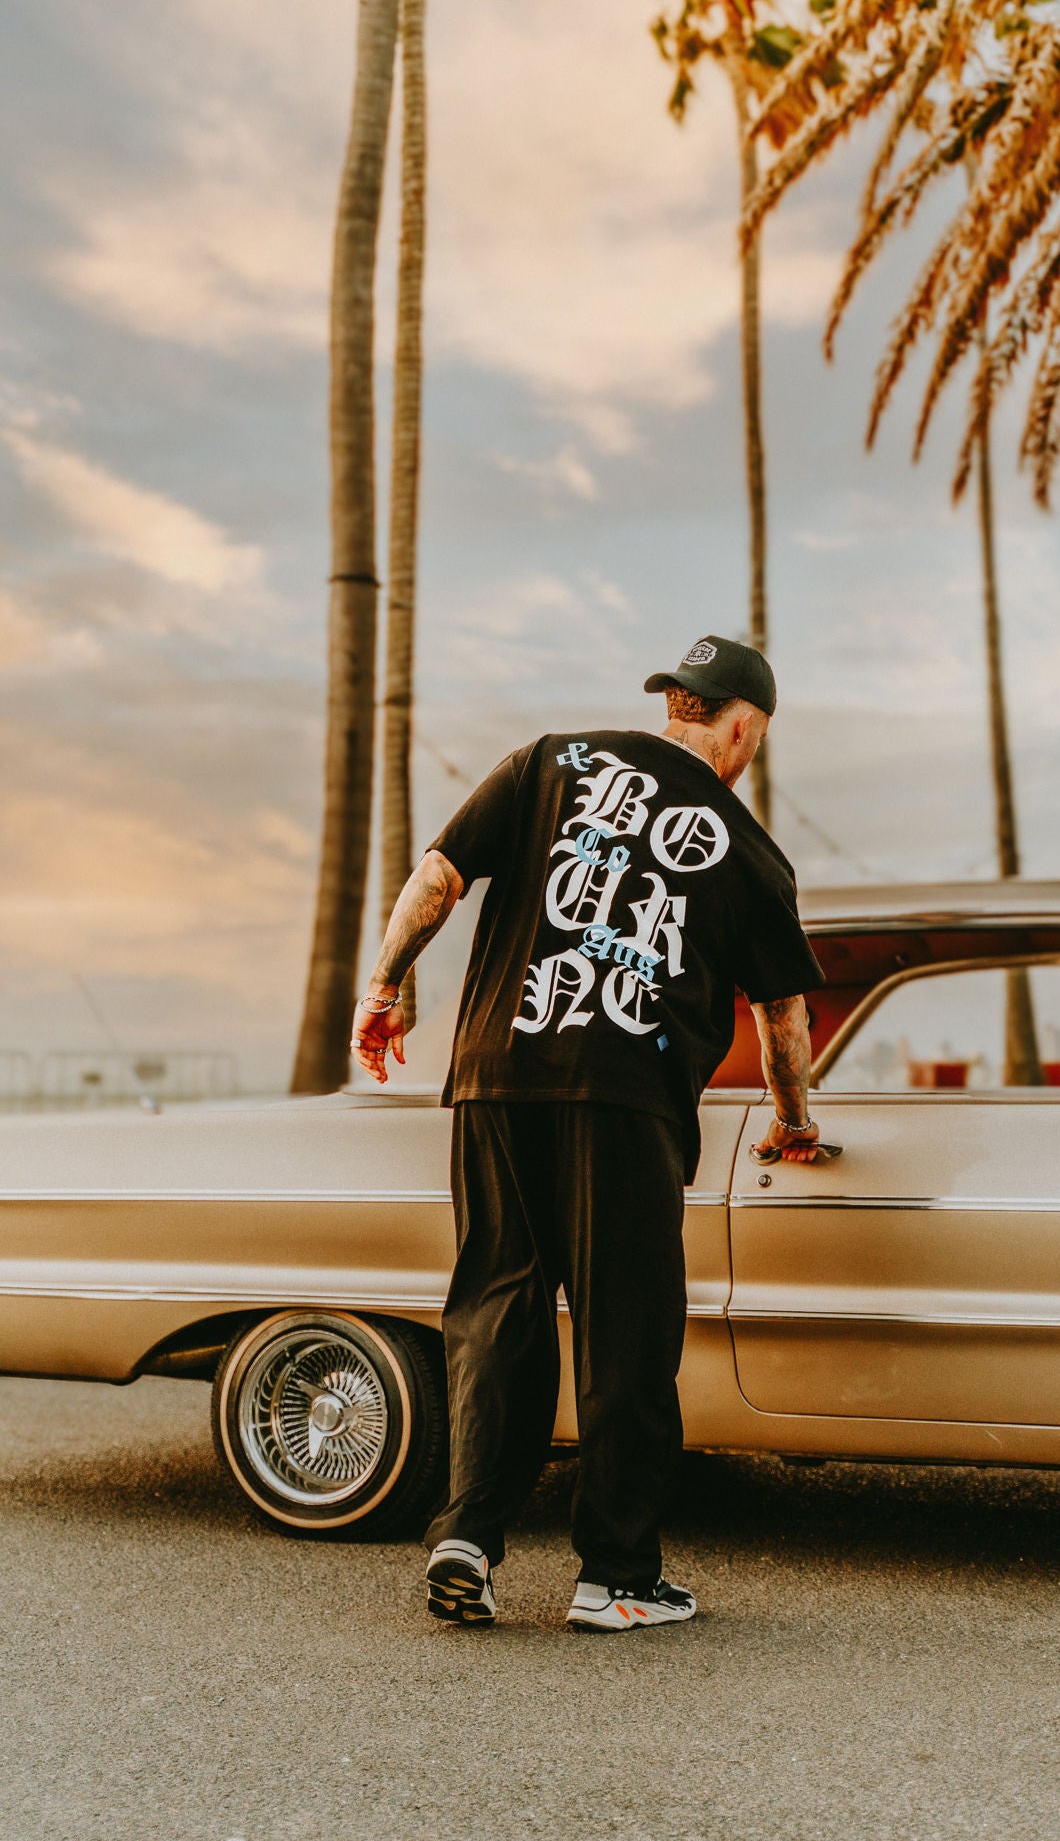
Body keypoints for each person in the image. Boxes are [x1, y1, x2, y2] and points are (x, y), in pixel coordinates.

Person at [350, 635, 825, 1634]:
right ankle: (616, 1576)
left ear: (676, 707)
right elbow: (783, 1018)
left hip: (494, 1079)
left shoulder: (545, 762)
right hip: (625, 1098)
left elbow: (437, 876)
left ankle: (467, 1538)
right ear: (745, 727)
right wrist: (793, 1122)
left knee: (495, 1307)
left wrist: (386, 988)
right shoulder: (746, 850)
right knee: (626, 1333)